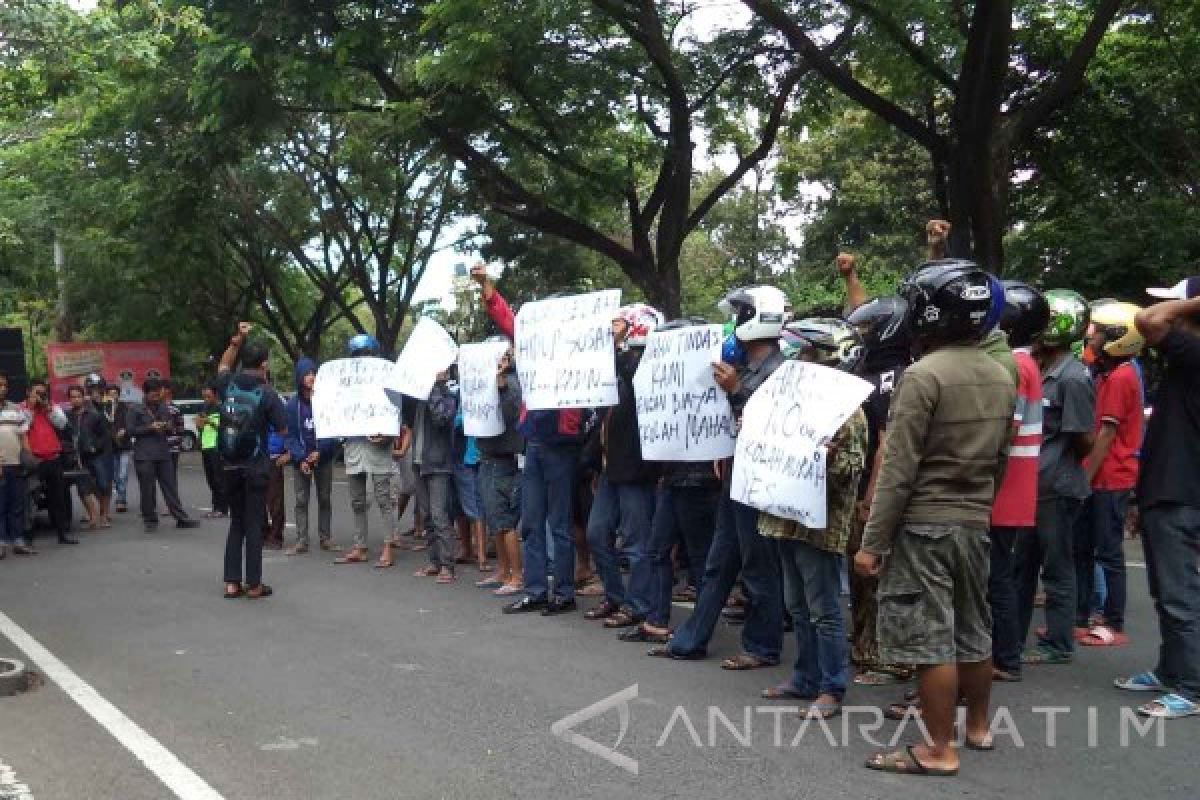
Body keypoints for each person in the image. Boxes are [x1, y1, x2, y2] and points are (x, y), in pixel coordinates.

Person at [856, 260, 1016, 777]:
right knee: (974, 628)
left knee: (931, 641)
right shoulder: (1000, 372)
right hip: (973, 521)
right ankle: (978, 728)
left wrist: (872, 542)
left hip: (925, 523)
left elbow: (898, 469)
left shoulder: (922, 376)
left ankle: (938, 750)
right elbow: (1001, 459)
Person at [649, 285, 788, 669]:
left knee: (758, 566)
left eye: (740, 314)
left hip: (757, 484)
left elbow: (772, 423)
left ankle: (763, 646)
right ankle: (690, 640)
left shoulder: (779, 370)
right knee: (718, 562)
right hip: (734, 478)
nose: (734, 322)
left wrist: (737, 391)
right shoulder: (745, 368)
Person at [759, 318, 869, 720]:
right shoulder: (790, 402)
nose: (796, 359)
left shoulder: (848, 411)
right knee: (798, 606)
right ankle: (804, 677)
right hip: (786, 520)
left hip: (819, 527)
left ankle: (831, 687)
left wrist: (825, 456)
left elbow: (851, 468)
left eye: (804, 352)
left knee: (824, 609)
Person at [473, 269, 588, 617]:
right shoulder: (533, 347)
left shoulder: (580, 352)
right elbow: (508, 320)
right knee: (532, 522)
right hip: (535, 443)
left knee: (559, 522)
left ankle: (563, 592)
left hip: (562, 444)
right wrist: (488, 288)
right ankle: (537, 590)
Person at [1113, 277, 1200, 718]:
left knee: (1180, 592)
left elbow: (1148, 319)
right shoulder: (1187, 361)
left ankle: (1191, 687)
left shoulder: (1195, 354)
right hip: (1167, 491)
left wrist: (1189, 304)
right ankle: (1172, 671)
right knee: (1168, 590)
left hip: (1180, 495)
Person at [619, 318, 720, 645]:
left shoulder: (714, 375)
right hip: (673, 478)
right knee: (657, 550)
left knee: (701, 559)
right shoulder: (664, 379)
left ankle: (699, 633)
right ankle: (657, 621)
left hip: (701, 482)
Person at [1018, 289, 1095, 666]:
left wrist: (1056, 465)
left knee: (1057, 568)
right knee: (1021, 567)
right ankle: (1010, 641)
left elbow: (1083, 439)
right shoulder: (1037, 368)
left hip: (1056, 487)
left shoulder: (1074, 378)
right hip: (1030, 485)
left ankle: (1059, 644)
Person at [843, 292, 915, 685]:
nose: (862, 333)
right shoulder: (867, 367)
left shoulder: (898, 376)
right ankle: (863, 646)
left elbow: (889, 444)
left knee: (880, 575)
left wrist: (871, 500)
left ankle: (890, 658)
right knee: (859, 574)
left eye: (869, 327)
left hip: (881, 490)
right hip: (859, 484)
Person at [584, 303, 663, 630]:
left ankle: (638, 604)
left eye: (617, 323)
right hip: (611, 468)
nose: (610, 329)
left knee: (635, 540)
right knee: (596, 533)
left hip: (635, 470)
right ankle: (615, 595)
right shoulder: (618, 370)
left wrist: (617, 343)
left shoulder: (646, 367)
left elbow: (633, 377)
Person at [987, 281, 1049, 683]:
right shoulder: (1026, 364)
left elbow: (1001, 432)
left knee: (996, 577)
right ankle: (1005, 654)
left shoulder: (1015, 366)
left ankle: (1005, 657)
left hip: (1004, 487)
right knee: (1000, 574)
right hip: (1015, 485)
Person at [1075, 301, 1145, 647]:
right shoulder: (1109, 373)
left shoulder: (1120, 377)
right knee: (1085, 546)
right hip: (1101, 475)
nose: (1094, 338)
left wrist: (1084, 479)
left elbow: (1106, 434)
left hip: (1110, 476)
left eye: (1101, 332)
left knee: (1108, 551)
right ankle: (1085, 614)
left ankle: (1112, 621)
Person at [214, 322, 287, 599]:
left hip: (229, 465)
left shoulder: (227, 384)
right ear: (264, 364)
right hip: (256, 466)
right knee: (254, 523)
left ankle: (232, 582)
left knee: (237, 522)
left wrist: (237, 341)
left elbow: (222, 365)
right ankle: (254, 583)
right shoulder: (267, 393)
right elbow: (282, 429)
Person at [335, 334, 395, 566]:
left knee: (383, 498)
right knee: (357, 500)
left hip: (378, 446)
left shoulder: (386, 380)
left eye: (366, 355)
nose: (362, 360)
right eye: (358, 356)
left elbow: (394, 411)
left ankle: (389, 545)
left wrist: (387, 435)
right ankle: (360, 546)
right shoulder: (345, 384)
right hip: (354, 444)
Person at [474, 341, 525, 595]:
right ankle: (503, 571)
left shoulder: (513, 382)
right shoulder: (485, 383)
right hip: (487, 459)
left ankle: (516, 576)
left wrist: (502, 383)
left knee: (505, 522)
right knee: (494, 520)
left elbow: (513, 411)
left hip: (503, 461)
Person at [129, 378, 200, 533]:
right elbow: (130, 430)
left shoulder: (163, 407)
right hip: (144, 454)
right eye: (153, 394)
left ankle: (181, 518)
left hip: (163, 451)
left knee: (170, 487)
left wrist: (167, 426)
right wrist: (149, 427)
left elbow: (171, 427)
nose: (157, 397)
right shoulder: (135, 409)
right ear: (146, 393)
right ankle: (150, 519)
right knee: (147, 489)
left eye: (158, 394)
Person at [285, 358, 340, 555]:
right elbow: (290, 436)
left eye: (313, 373)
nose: (311, 377)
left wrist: (321, 451)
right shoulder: (292, 405)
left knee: (324, 498)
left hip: (323, 459)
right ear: (299, 378)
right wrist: (301, 459)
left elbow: (333, 431)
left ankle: (325, 537)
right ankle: (302, 540)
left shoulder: (326, 401)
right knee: (301, 500)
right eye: (307, 374)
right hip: (302, 461)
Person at [409, 372, 459, 582]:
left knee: (439, 515)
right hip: (419, 461)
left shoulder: (448, 395)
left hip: (438, 463)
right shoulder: (419, 395)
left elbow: (441, 418)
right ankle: (434, 561)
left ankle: (448, 565)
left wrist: (435, 386)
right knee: (426, 514)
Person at [25, 379, 76, 546]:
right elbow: (24, 426)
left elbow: (61, 424)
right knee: (31, 499)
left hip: (54, 458)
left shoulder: (51, 407)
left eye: (43, 392)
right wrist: (32, 407)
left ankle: (62, 534)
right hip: (35, 460)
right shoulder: (21, 408)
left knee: (58, 499)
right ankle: (28, 537)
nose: (40, 396)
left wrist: (48, 408)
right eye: (37, 392)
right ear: (29, 392)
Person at [0, 373, 33, 558]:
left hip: (16, 464)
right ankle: (1, 542)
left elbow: (23, 434)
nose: (3, 388)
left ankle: (18, 540)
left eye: (5, 385)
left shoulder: (14, 409)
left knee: (17, 504)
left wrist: (27, 457)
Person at [64, 385, 104, 530]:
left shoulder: (94, 415)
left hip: (92, 455)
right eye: (72, 397)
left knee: (98, 485)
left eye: (78, 396)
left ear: (83, 397)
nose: (75, 400)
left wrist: (95, 447)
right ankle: (93, 516)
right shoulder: (66, 416)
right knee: (82, 487)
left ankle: (102, 513)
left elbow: (102, 436)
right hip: (75, 456)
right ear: (69, 399)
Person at [84, 375, 116, 527]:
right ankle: (96, 512)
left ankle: (104, 514)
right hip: (89, 451)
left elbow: (113, 425)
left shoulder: (109, 406)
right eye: (92, 390)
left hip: (106, 450)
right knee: (91, 484)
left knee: (106, 483)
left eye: (98, 390)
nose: (95, 393)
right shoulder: (84, 408)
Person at [196, 384, 229, 518]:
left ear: (215, 395)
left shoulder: (222, 408)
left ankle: (222, 507)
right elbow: (200, 428)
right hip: (206, 446)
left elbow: (226, 427)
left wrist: (210, 421)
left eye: (208, 396)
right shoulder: (204, 407)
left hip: (217, 447)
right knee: (210, 479)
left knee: (218, 478)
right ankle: (215, 506)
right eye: (204, 397)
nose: (206, 399)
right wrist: (199, 424)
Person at [107, 385, 133, 513]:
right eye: (110, 393)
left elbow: (131, 423)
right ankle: (120, 496)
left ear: (118, 394)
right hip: (111, 446)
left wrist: (126, 430)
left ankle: (121, 500)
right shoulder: (105, 408)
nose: (113, 395)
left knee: (123, 474)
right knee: (115, 475)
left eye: (115, 393)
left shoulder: (125, 407)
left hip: (124, 445)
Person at [263, 421, 288, 550]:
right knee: (258, 499)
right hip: (259, 457)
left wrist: (288, 453)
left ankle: (276, 536)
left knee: (275, 499)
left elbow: (290, 430)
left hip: (275, 457)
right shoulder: (255, 406)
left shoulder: (279, 405)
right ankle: (263, 533)